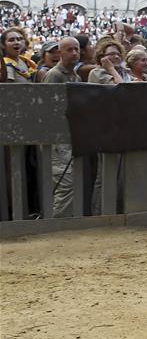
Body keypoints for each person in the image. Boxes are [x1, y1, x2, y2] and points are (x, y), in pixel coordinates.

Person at [42, 37, 81, 217]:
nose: (74, 53)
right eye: (69, 50)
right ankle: (58, 223)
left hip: (69, 135)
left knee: (69, 183)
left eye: (76, 49)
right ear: (60, 53)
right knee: (65, 183)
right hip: (57, 138)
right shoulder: (54, 75)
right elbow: (47, 108)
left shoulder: (75, 76)